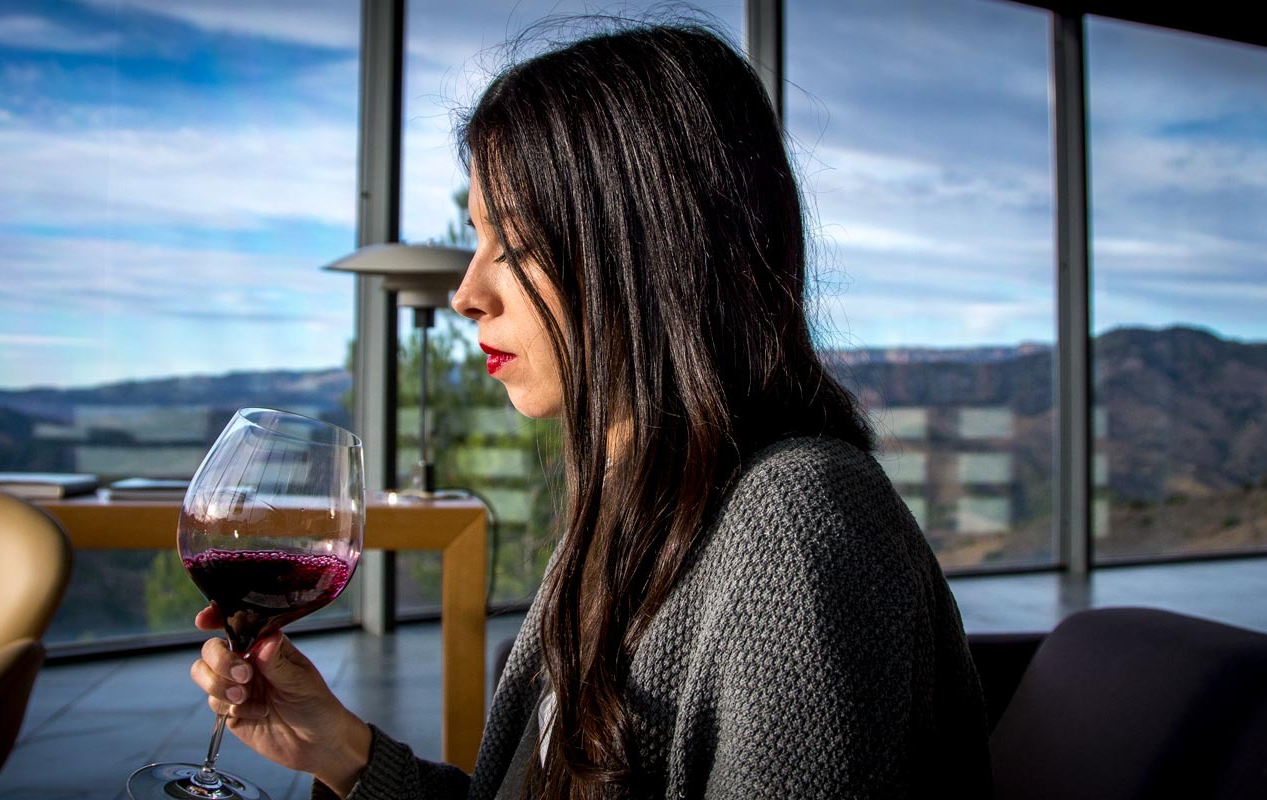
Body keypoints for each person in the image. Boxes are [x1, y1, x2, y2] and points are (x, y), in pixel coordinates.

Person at [190, 20, 992, 800]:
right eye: (477, 240)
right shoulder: (633, 510)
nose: (466, 294)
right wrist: (340, 751)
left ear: (648, 250)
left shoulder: (793, 522)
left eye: (515, 244)